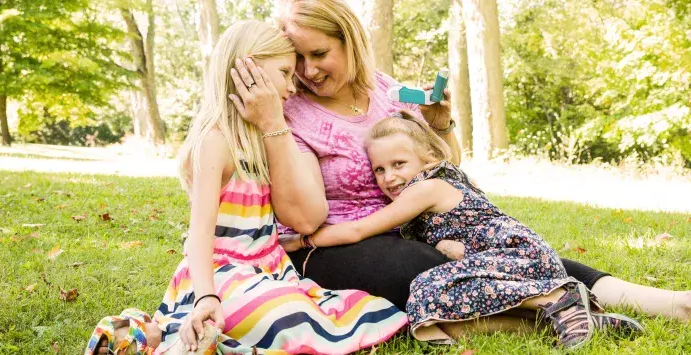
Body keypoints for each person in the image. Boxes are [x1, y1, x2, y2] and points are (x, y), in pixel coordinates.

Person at [226, 0, 690, 335]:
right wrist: (272, 125)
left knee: (516, 256)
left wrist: (441, 126)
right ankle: (558, 315)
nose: (307, 71)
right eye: (298, 59)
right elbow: (305, 219)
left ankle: (672, 303)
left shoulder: (388, 90)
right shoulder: (288, 112)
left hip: (418, 228)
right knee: (426, 265)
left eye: (319, 53)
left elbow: (443, 167)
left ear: (350, 42)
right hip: (337, 243)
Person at [84, 20, 407, 355]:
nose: (293, 85)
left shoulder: (263, 138)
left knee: (348, 306)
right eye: (284, 72)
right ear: (247, 68)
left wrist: (291, 242)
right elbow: (199, 234)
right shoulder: (215, 141)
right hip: (220, 273)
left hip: (270, 269)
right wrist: (207, 295)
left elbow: (277, 219)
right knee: (283, 314)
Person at [283, 110, 647, 348]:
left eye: (398, 164)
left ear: (427, 159)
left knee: (427, 287)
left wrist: (299, 241)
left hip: (515, 255)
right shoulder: (433, 184)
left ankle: (557, 299)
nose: (389, 177)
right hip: (496, 260)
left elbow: (357, 232)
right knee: (439, 320)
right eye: (379, 170)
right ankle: (574, 321)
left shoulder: (425, 188)